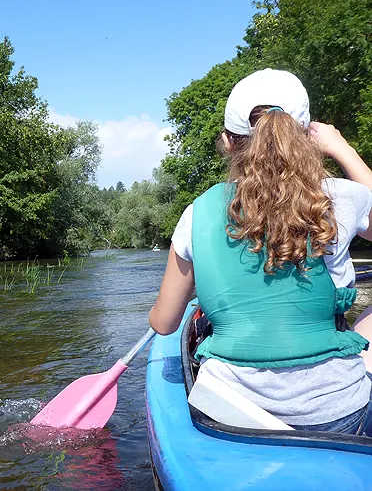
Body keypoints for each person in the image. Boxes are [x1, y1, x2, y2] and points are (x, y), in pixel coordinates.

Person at [149, 68, 372, 435]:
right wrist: (341, 148)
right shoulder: (343, 197)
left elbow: (164, 323)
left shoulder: (196, 214)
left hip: (229, 410)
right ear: (306, 138)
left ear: (227, 142)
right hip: (336, 414)